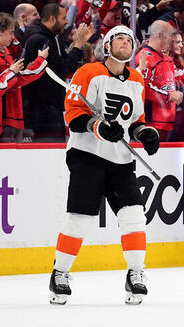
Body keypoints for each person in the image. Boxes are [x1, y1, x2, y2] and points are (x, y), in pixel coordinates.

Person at [48, 26, 160, 306]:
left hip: (120, 161)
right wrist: (97, 126)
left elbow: (135, 121)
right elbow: (74, 115)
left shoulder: (136, 79)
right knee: (80, 217)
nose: (125, 42)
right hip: (87, 155)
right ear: (107, 46)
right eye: (119, 38)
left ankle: (136, 273)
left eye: (129, 39)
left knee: (134, 215)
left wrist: (145, 133)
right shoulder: (88, 72)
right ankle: (59, 273)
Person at [22, 3, 94, 142]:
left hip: (53, 107)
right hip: (40, 110)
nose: (67, 22)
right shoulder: (39, 40)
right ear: (52, 19)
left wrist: (80, 44)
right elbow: (62, 69)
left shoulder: (54, 39)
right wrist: (77, 45)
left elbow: (69, 66)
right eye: (63, 18)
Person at [138, 20, 184, 142]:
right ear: (159, 35)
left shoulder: (167, 59)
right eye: (170, 36)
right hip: (151, 122)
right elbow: (142, 87)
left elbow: (180, 78)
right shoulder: (144, 56)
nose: (171, 40)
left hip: (169, 122)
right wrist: (169, 95)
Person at [0, 14, 49, 142]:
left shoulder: (4, 51)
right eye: (10, 33)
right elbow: (18, 79)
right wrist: (40, 60)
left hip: (13, 112)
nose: (13, 37)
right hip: (3, 117)